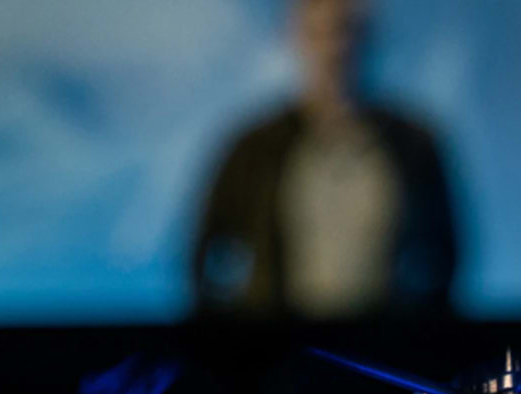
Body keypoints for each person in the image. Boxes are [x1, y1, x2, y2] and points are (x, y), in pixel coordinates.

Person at [187, 0, 460, 319]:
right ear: (296, 38)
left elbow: (446, 256)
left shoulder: (415, 146)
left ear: (369, 38)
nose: (335, 49)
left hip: (379, 349)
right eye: (320, 33)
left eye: (347, 31)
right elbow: (204, 256)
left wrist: (418, 332)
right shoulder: (255, 148)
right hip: (281, 353)